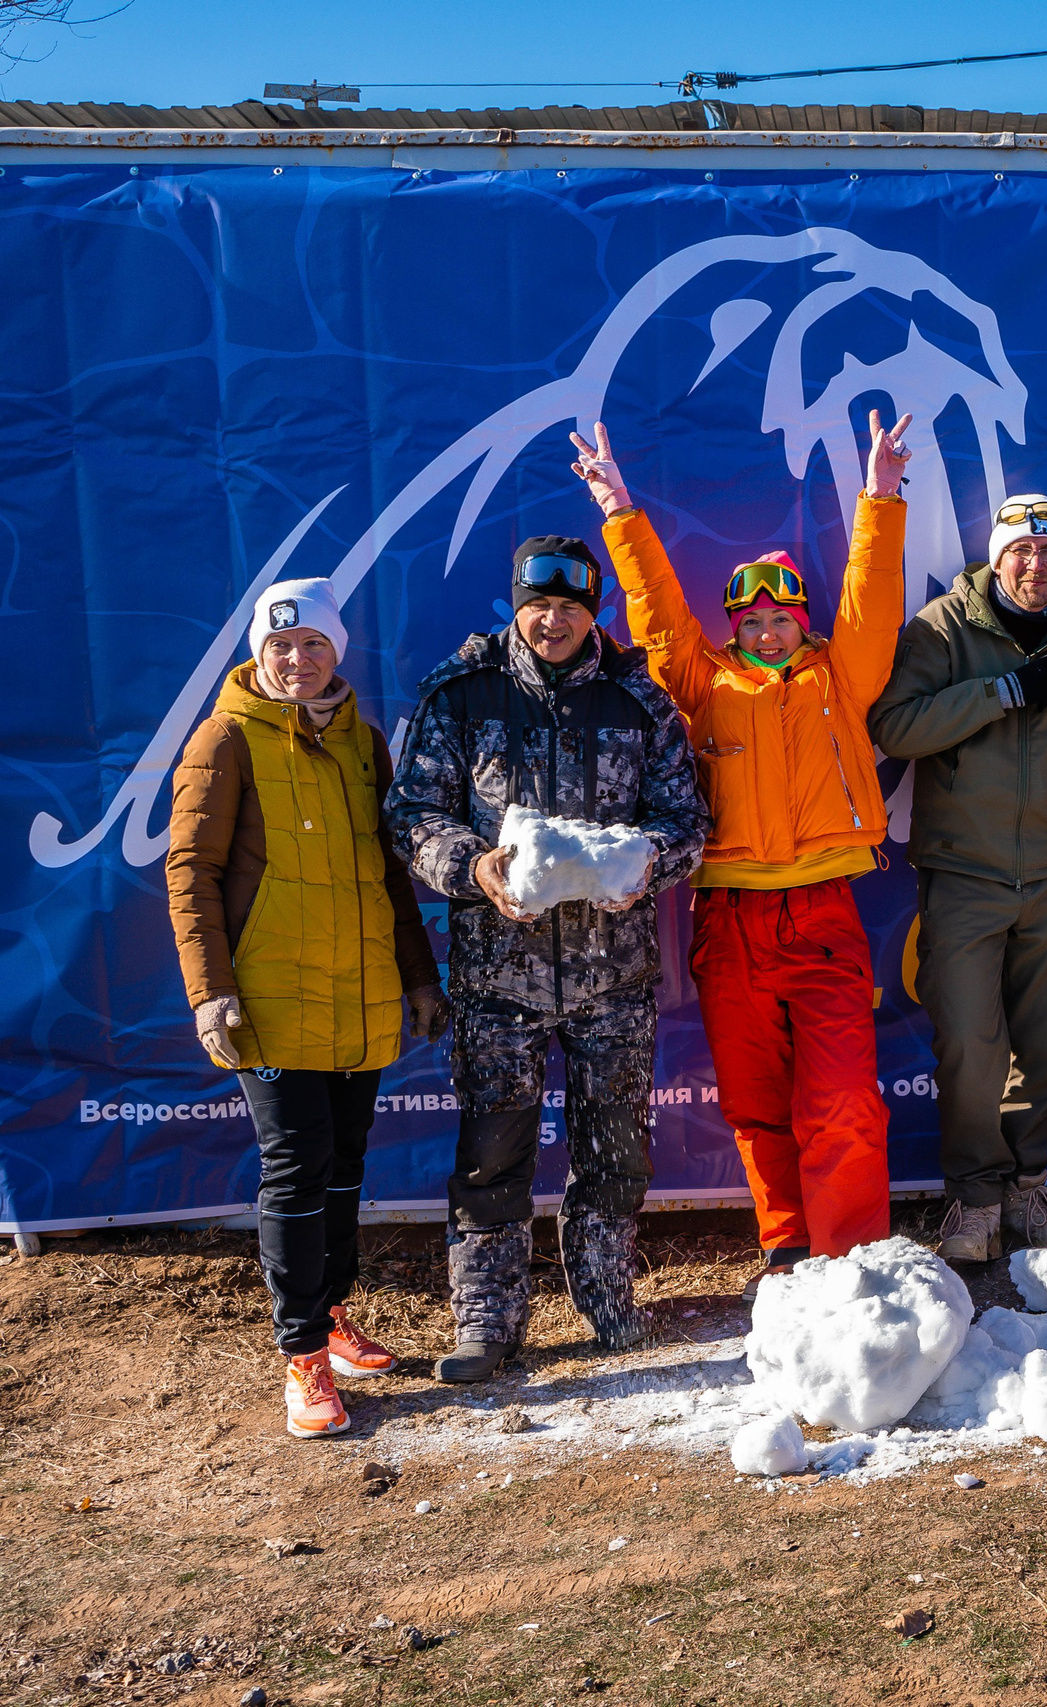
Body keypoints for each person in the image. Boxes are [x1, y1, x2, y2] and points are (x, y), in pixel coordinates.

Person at [574, 413, 911, 1286]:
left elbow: (873, 603)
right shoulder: (703, 683)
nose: (767, 632)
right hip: (728, 917)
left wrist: (880, 499)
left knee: (842, 1097)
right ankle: (788, 1249)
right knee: (756, 1102)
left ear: (803, 622)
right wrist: (619, 513)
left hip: (825, 915)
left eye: (781, 618)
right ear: (732, 627)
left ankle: (849, 1260)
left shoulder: (841, 675)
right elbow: (657, 617)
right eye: (751, 619)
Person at [386, 536, 707, 1381]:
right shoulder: (463, 694)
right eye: (538, 606)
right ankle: (487, 1320)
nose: (553, 621)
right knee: (492, 1150)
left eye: (570, 607)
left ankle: (607, 1297)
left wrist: (643, 866)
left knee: (617, 1148)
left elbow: (687, 822)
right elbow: (412, 815)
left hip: (614, 975)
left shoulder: (636, 699)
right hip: (499, 976)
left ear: (593, 611)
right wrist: (473, 867)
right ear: (517, 606)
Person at [166, 580, 449, 1438]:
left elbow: (390, 872)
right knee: (295, 1169)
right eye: (281, 645)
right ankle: (302, 1355)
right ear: (259, 652)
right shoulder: (225, 737)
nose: (297, 659)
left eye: (314, 643)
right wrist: (210, 991)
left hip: (358, 990)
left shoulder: (364, 742)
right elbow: (191, 872)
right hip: (269, 997)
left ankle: (330, 1314)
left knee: (345, 1161)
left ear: (337, 650)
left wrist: (418, 976)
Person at [871, 493, 1047, 1263]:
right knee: (972, 1050)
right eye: (1021, 550)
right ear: (997, 557)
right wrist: (999, 691)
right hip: (964, 872)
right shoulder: (943, 627)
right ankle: (975, 1199)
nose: (1036, 565)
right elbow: (893, 727)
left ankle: (1026, 1187)